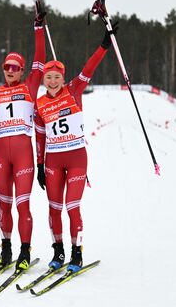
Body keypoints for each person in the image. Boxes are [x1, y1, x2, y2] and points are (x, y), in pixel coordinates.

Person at [33, 23, 117, 273]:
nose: (53, 80)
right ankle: (58, 252)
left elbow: (89, 67)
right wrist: (39, 164)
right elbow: (40, 137)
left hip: (77, 157)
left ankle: (76, 253)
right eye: (48, 77)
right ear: (44, 80)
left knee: (72, 206)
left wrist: (104, 45)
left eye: (57, 76)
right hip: (53, 162)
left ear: (62, 77)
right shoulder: (39, 104)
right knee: (54, 207)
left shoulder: (73, 90)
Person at [0, 0, 46, 271]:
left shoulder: (30, 85)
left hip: (23, 153)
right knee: (3, 204)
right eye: (7, 67)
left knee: (23, 204)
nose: (10, 71)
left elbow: (41, 60)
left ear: (22, 71)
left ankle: (24, 250)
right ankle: (6, 248)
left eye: (15, 68)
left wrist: (38, 28)